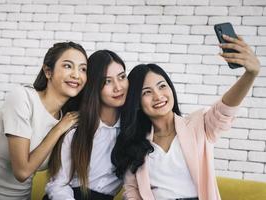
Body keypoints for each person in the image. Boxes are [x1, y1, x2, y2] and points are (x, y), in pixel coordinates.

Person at [111, 34, 260, 200]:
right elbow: (132, 190)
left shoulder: (199, 125)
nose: (158, 96)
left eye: (162, 86)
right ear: (137, 102)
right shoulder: (135, 143)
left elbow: (224, 110)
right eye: (147, 92)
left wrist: (250, 75)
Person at [0, 42, 88, 200]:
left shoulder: (68, 119)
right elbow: (22, 172)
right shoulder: (22, 98)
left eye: (83, 69)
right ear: (48, 71)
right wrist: (58, 129)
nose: (76, 75)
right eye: (67, 66)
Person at [44, 50, 129, 200]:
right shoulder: (76, 129)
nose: (118, 87)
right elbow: (58, 185)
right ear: (95, 86)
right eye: (107, 81)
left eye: (122, 77)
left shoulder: (132, 130)